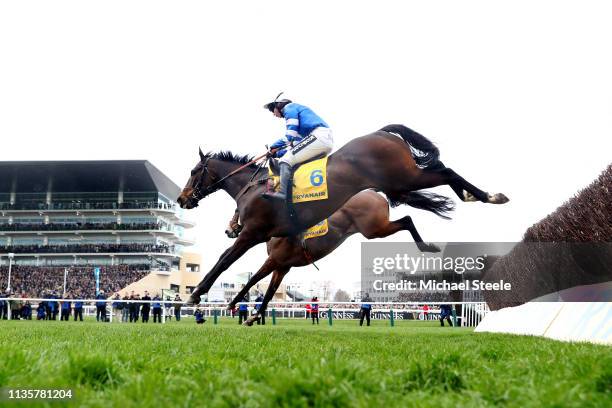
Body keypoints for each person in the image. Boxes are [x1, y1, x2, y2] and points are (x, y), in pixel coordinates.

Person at [262, 94, 333, 206]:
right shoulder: (298, 115)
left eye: (273, 111)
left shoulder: (289, 108)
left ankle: (282, 193)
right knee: (288, 158)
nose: (274, 115)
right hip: (321, 139)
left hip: (319, 137)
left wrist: (273, 147)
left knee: (285, 161)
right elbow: (295, 146)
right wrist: (277, 153)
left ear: (278, 106)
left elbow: (290, 135)